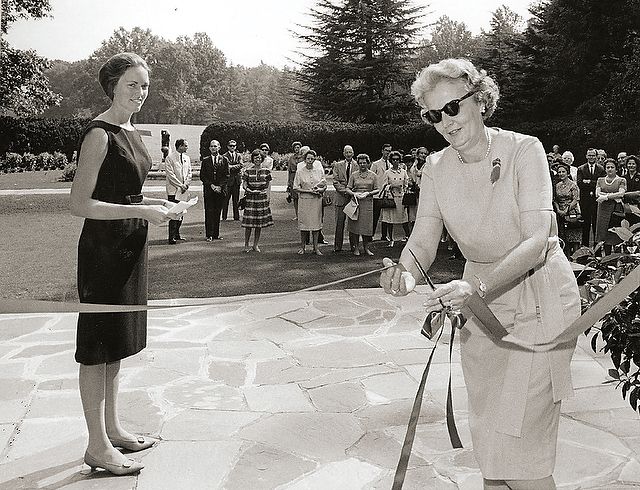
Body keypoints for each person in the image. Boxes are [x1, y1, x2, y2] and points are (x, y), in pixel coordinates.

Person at [380, 58, 581, 490]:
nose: (445, 122)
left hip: (537, 296)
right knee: (491, 440)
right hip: (480, 310)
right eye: (434, 115)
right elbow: (422, 242)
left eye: (453, 107)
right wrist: (405, 275)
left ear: (480, 100)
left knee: (520, 445)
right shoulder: (434, 169)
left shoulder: (524, 149)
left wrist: (476, 287)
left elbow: (536, 240)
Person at [70, 52, 174, 476]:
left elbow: (126, 194)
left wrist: (157, 206)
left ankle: (112, 429)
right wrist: (142, 213)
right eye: (132, 85)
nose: (141, 92)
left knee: (117, 343)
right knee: (96, 349)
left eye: (145, 85)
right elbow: (80, 203)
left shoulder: (131, 130)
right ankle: (96, 445)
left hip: (131, 247)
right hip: (103, 253)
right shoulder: (99, 133)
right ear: (111, 86)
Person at [293, 149, 326, 255]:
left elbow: (324, 185)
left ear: (314, 159)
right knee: (304, 225)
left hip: (316, 201)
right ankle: (303, 247)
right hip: (304, 201)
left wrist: (320, 190)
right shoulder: (300, 171)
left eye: (312, 159)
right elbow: (295, 187)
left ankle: (315, 248)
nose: (310, 161)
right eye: (308, 158)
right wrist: (308, 191)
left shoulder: (319, 171)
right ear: (305, 159)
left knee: (316, 225)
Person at [241, 149, 274, 252]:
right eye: (255, 158)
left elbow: (268, 185)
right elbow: (244, 183)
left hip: (261, 198)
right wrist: (248, 189)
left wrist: (268, 196)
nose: (257, 159)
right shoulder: (248, 171)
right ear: (253, 159)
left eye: (259, 158)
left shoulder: (266, 171)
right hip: (251, 198)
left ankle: (255, 245)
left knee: (259, 223)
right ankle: (246, 244)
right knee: (249, 223)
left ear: (262, 159)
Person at [346, 153, 378, 255]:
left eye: (364, 163)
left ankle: (366, 247)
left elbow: (377, 189)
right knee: (355, 226)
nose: (362, 165)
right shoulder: (354, 175)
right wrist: (354, 194)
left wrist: (368, 193)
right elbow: (348, 188)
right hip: (356, 202)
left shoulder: (373, 175)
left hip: (367, 202)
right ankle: (356, 248)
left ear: (368, 163)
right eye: (360, 163)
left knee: (366, 226)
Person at [595, 157, 627, 255]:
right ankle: (606, 257)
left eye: (612, 167)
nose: (609, 169)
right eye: (607, 167)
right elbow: (597, 193)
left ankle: (618, 257)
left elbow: (621, 194)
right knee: (603, 232)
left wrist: (606, 196)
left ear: (616, 169)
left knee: (615, 233)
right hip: (602, 210)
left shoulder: (621, 180)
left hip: (615, 209)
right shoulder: (600, 180)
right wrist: (612, 195)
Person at [164, 138, 192, 244]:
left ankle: (177, 234)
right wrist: (180, 185)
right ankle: (171, 236)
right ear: (179, 146)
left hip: (183, 190)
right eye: (185, 145)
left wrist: (186, 185)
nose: (186, 147)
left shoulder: (187, 158)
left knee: (181, 212)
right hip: (174, 190)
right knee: (174, 213)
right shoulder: (170, 158)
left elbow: (189, 172)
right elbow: (170, 175)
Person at [380, 150, 410, 247]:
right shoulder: (387, 172)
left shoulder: (403, 172)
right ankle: (391, 239)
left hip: (401, 197)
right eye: (394, 159)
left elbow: (406, 184)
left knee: (404, 218)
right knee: (390, 219)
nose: (396, 161)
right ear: (391, 161)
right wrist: (391, 186)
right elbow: (384, 185)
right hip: (391, 197)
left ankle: (408, 236)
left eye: (397, 159)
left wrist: (404, 189)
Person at [200, 139, 228, 241]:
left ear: (219, 147)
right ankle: (209, 235)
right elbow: (203, 176)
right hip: (209, 190)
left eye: (215, 146)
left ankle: (216, 234)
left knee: (217, 212)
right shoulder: (205, 160)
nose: (213, 148)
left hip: (220, 191)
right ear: (209, 148)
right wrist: (211, 185)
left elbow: (226, 175)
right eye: (211, 146)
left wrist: (220, 186)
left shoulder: (224, 160)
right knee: (209, 212)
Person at [577, 148, 605, 246]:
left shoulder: (601, 169)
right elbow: (580, 183)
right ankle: (585, 251)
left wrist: (588, 181)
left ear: (596, 156)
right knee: (586, 226)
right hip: (585, 202)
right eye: (589, 155)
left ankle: (597, 252)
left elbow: (601, 183)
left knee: (596, 226)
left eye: (593, 155)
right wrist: (594, 183)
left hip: (597, 201)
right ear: (586, 156)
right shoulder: (581, 169)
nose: (591, 157)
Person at [332, 145, 357, 252]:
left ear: (353, 153)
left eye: (350, 152)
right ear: (343, 153)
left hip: (352, 198)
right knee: (339, 223)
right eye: (346, 152)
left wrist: (351, 192)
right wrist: (345, 191)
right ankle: (337, 246)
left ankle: (354, 246)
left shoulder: (358, 165)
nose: (348, 154)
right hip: (341, 197)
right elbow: (335, 181)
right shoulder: (338, 165)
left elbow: (359, 181)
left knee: (353, 224)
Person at [552, 161, 581, 255]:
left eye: (563, 172)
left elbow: (575, 199)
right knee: (563, 235)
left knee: (574, 236)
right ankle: (566, 256)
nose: (561, 174)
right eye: (559, 172)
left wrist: (566, 210)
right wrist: (559, 210)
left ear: (567, 173)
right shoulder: (557, 185)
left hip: (572, 211)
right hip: (560, 212)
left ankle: (575, 257)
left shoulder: (573, 185)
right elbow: (555, 199)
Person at [370, 143, 392, 241]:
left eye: (389, 151)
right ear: (382, 151)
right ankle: (371, 235)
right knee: (375, 215)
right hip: (377, 194)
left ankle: (384, 235)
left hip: (387, 194)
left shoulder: (391, 165)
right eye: (386, 150)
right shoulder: (376, 164)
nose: (388, 153)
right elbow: (371, 178)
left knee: (386, 215)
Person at [406, 146, 427, 231]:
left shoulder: (428, 165)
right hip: (414, 192)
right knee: (413, 214)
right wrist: (412, 183)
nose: (423, 155)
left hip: (425, 191)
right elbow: (410, 177)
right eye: (421, 153)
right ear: (417, 154)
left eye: (425, 153)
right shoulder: (414, 165)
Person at [222, 140, 243, 221]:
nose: (232, 147)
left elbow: (241, 165)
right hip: (228, 181)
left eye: (234, 146)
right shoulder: (225, 156)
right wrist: (234, 166)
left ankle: (236, 217)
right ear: (228, 146)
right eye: (231, 146)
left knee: (236, 200)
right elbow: (225, 167)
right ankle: (224, 217)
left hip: (236, 181)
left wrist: (231, 167)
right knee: (225, 200)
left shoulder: (238, 155)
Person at [287, 141, 303, 219]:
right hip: (293, 176)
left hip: (300, 176)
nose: (296, 149)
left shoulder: (303, 157)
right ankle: (297, 215)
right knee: (295, 198)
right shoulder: (291, 158)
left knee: (301, 197)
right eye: (295, 147)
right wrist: (289, 182)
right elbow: (289, 170)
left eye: (298, 147)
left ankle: (302, 214)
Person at [623, 155, 640, 225]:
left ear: (636, 165)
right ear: (626, 165)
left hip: (638, 207)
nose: (631, 165)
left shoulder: (639, 176)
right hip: (626, 207)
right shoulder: (623, 178)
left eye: (633, 164)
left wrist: (625, 194)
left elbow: (638, 193)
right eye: (629, 163)